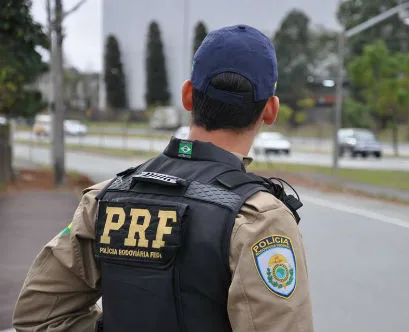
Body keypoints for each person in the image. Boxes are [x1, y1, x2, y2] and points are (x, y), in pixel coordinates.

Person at [13, 24, 314, 332]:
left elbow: (38, 316)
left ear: (187, 96)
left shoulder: (105, 198)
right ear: (270, 110)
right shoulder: (259, 220)